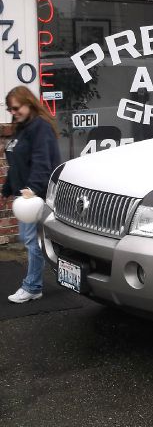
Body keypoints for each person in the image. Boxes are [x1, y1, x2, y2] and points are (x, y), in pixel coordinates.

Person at [1, 86, 61, 303]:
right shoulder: (22, 128)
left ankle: (33, 286)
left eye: (16, 107)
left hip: (36, 196)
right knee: (44, 240)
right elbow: (16, 164)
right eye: (10, 109)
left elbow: (42, 162)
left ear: (28, 103)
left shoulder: (40, 127)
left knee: (31, 240)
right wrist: (7, 189)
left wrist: (33, 188)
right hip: (26, 195)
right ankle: (69, 273)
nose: (13, 112)